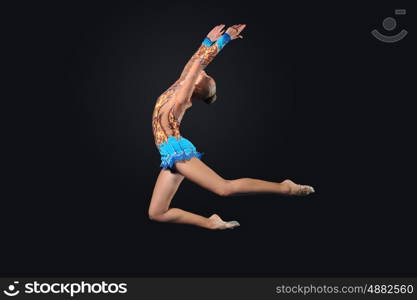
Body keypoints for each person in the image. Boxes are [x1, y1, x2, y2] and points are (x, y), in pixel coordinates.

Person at [149, 24, 314, 230]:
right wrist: (207, 41)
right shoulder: (178, 86)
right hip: (168, 153)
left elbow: (197, 66)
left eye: (203, 76)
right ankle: (210, 222)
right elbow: (193, 64)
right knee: (157, 212)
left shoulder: (180, 100)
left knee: (224, 188)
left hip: (177, 151)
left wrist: (224, 40)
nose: (203, 73)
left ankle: (285, 187)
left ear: (195, 86)